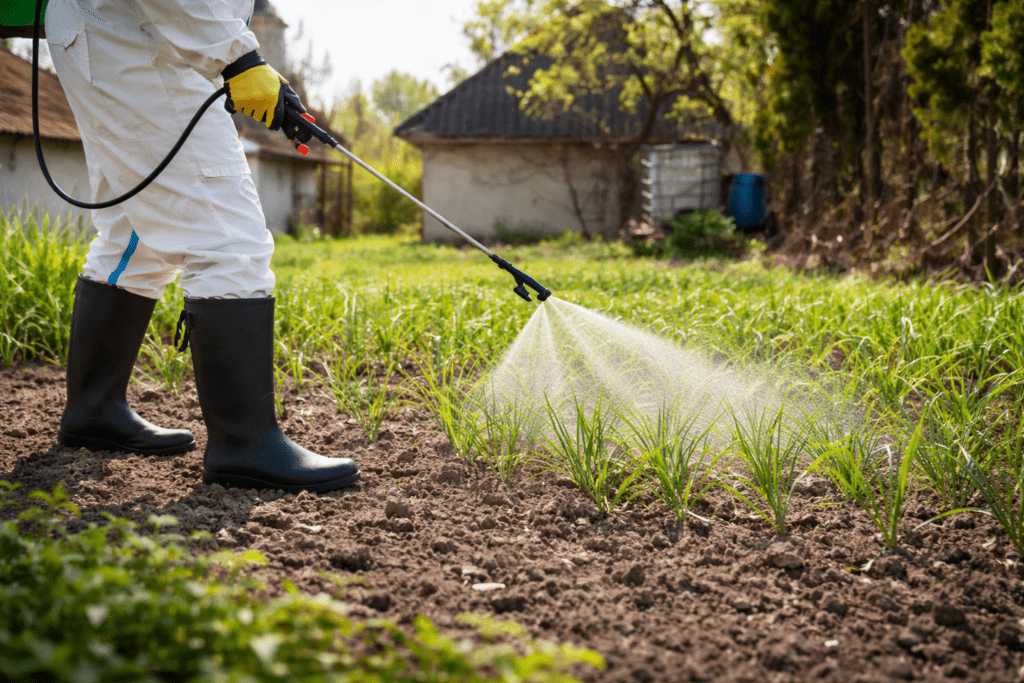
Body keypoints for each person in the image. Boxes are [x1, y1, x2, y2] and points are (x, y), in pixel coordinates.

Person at [45, 0, 360, 493]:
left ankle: (94, 409)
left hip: (112, 32)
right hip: (135, 37)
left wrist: (236, 57)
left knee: (136, 232)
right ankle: (244, 442)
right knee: (228, 238)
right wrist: (239, 58)